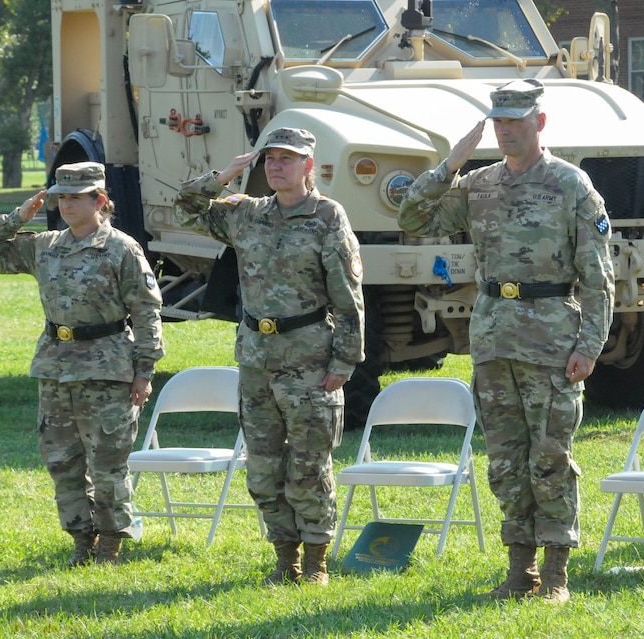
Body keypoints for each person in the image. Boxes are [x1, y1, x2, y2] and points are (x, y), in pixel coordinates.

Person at [398, 79, 614, 604]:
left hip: (552, 341)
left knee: (551, 457)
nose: (507, 130)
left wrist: (589, 344)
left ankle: (557, 575)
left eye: (517, 120)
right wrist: (449, 167)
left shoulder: (571, 185)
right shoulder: (480, 184)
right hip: (493, 336)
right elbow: (412, 217)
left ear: (540, 122)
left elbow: (597, 276)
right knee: (505, 460)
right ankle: (521, 574)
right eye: (499, 121)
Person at [173, 128, 365, 586]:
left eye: (288, 159)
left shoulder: (326, 216)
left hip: (309, 359)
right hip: (257, 359)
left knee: (308, 465)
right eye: (270, 159)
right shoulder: (247, 214)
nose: (276, 167)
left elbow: (348, 294)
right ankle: (285, 558)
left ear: (309, 166)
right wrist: (223, 177)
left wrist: (344, 361)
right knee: (262, 466)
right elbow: (185, 209)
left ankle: (315, 559)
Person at [0, 161, 164, 567]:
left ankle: (112, 543)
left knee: (108, 462)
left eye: (76, 197)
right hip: (55, 367)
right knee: (62, 461)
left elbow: (147, 312)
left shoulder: (121, 248)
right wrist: (16, 218)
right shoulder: (45, 244)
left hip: (108, 366)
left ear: (100, 201)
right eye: (62, 197)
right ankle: (82, 540)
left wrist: (144, 371)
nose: (67, 204)